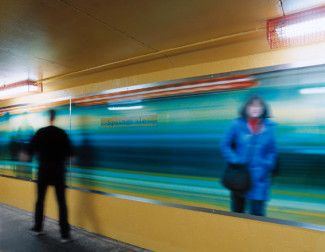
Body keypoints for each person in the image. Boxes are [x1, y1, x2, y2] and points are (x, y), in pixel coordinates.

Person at [221, 95, 277, 216]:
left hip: (260, 179)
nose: (255, 108)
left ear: (263, 108)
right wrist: (236, 160)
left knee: (258, 215)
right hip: (240, 177)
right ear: (246, 107)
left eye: (259, 105)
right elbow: (225, 145)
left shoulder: (270, 127)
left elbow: (272, 150)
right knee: (237, 213)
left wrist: (267, 164)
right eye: (252, 105)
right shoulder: (236, 124)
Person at [27, 109, 73, 242]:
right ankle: (65, 234)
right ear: (55, 117)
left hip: (44, 171)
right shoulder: (62, 133)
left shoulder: (41, 132)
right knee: (61, 203)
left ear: (48, 117)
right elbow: (70, 153)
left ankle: (38, 228)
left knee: (40, 200)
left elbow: (29, 151)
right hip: (58, 171)